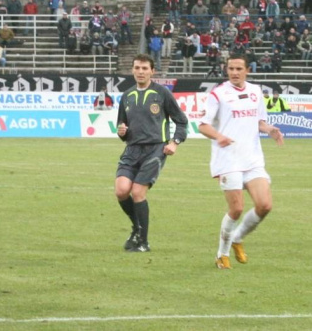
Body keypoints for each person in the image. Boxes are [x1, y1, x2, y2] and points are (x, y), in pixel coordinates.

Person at [198, 54, 285, 270]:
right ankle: (222, 254)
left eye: (238, 69)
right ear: (226, 70)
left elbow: (259, 122)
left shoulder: (256, 91)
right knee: (236, 209)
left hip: (252, 159)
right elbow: (203, 125)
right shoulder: (218, 94)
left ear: (248, 70)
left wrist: (270, 129)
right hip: (228, 160)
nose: (234, 73)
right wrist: (219, 137)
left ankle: (237, 238)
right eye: (231, 69)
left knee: (265, 205)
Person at [115, 54, 188, 252]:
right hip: (132, 149)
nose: (140, 71)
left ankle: (143, 242)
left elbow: (181, 121)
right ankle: (136, 227)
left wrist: (175, 142)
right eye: (137, 67)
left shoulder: (162, 93)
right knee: (121, 191)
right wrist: (121, 131)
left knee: (138, 192)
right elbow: (122, 125)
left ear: (152, 71)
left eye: (145, 68)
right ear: (132, 70)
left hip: (155, 149)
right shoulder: (127, 95)